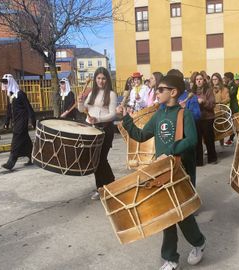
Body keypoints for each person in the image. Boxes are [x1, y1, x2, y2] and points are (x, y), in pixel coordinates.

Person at [119, 74, 206, 270]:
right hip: (162, 171)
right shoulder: (158, 114)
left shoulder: (185, 115)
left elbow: (191, 141)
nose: (156, 92)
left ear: (173, 92)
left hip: (181, 170)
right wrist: (126, 119)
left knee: (182, 214)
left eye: (160, 89)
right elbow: (141, 136)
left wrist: (169, 151)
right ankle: (171, 258)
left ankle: (199, 242)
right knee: (166, 214)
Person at [78, 67, 117, 200]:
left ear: (107, 79)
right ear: (95, 79)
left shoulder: (111, 94)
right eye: (99, 78)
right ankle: (102, 187)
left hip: (105, 129)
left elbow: (113, 115)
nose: (101, 81)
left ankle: (110, 184)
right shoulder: (91, 93)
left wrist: (98, 119)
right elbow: (83, 109)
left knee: (101, 159)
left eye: (103, 78)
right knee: (95, 160)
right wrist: (80, 102)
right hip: (92, 129)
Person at [1, 74, 36, 170]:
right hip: (16, 122)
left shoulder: (20, 94)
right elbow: (9, 110)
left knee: (15, 141)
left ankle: (11, 162)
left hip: (22, 121)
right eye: (3, 83)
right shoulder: (11, 95)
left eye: (6, 82)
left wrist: (33, 121)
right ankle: (33, 157)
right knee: (26, 141)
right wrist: (6, 122)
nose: (4, 84)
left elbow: (29, 108)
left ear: (11, 82)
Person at [193, 73, 217, 165]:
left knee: (209, 139)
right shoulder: (193, 91)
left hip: (207, 118)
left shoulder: (209, 91)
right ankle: (198, 161)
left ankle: (212, 158)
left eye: (200, 79)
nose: (198, 81)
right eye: (197, 79)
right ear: (195, 81)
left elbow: (212, 104)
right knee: (197, 140)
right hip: (196, 118)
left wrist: (203, 101)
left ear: (204, 81)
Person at [224, 74, 239, 146]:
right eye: (235, 80)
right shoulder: (234, 87)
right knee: (235, 125)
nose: (236, 81)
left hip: (238, 109)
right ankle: (236, 140)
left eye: (237, 80)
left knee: (238, 125)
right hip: (234, 108)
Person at [211, 73, 230, 147]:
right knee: (212, 130)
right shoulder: (210, 89)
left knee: (220, 128)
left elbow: (228, 99)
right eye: (213, 79)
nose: (214, 81)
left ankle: (221, 144)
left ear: (219, 79)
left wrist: (220, 102)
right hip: (212, 111)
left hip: (221, 111)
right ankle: (211, 146)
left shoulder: (224, 89)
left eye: (215, 79)